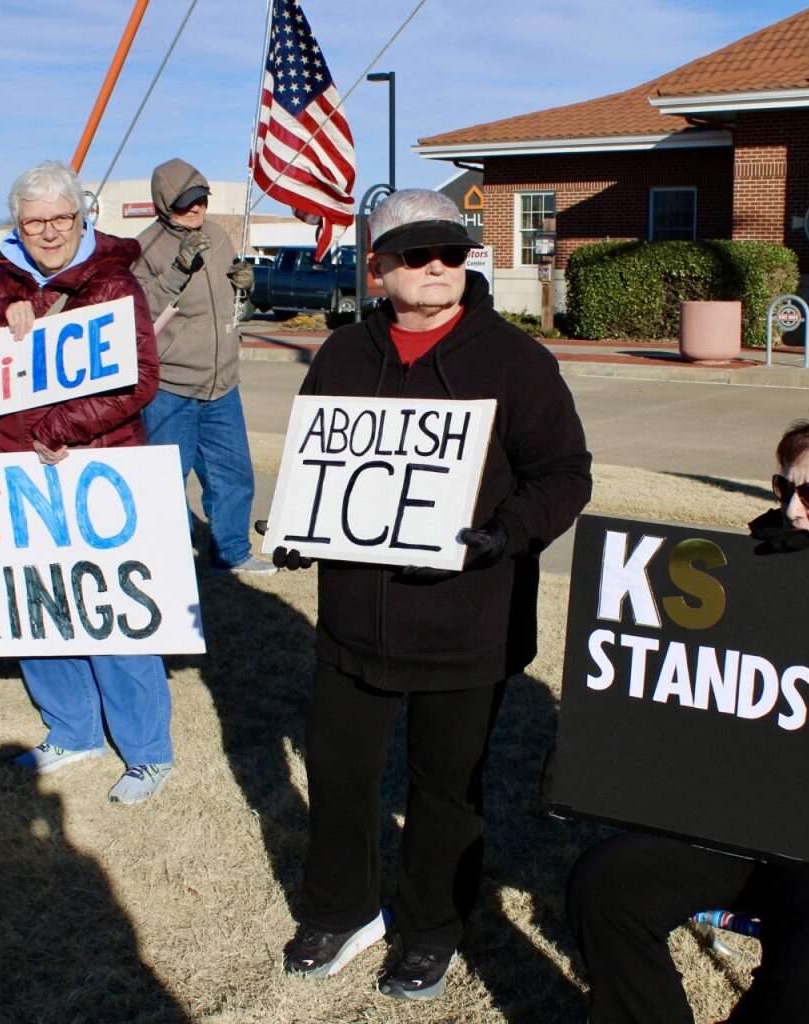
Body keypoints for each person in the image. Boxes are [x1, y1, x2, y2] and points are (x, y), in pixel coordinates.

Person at [273, 189, 592, 1000]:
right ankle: (340, 909)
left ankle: (430, 928)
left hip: (465, 624)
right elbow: (320, 469)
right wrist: (301, 528)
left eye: (453, 252)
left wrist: (506, 534)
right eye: (418, 254)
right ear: (378, 269)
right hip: (354, 622)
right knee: (340, 775)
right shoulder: (342, 356)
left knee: (446, 789)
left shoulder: (517, 362)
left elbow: (564, 477)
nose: (440, 268)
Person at [566, 403, 809, 1024]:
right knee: (604, 884)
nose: (794, 508)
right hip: (743, 818)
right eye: (786, 487)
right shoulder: (756, 560)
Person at [0, 160, 175, 805]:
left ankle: (146, 753)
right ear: (18, 227)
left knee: (110, 609)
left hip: (96, 464)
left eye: (60, 218)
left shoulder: (112, 285)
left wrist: (62, 429)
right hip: (18, 466)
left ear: (82, 218)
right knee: (39, 604)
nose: (48, 232)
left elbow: (139, 379)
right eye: (34, 222)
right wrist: (5, 312)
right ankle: (71, 729)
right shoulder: (5, 281)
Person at [133, 157, 270, 575]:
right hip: (171, 386)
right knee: (164, 480)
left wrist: (248, 284)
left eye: (201, 201)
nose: (196, 210)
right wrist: (178, 270)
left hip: (223, 382)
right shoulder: (146, 248)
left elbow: (235, 303)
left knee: (233, 473)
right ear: (163, 204)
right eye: (185, 204)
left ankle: (232, 552)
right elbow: (140, 310)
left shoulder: (216, 235)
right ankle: (160, 559)